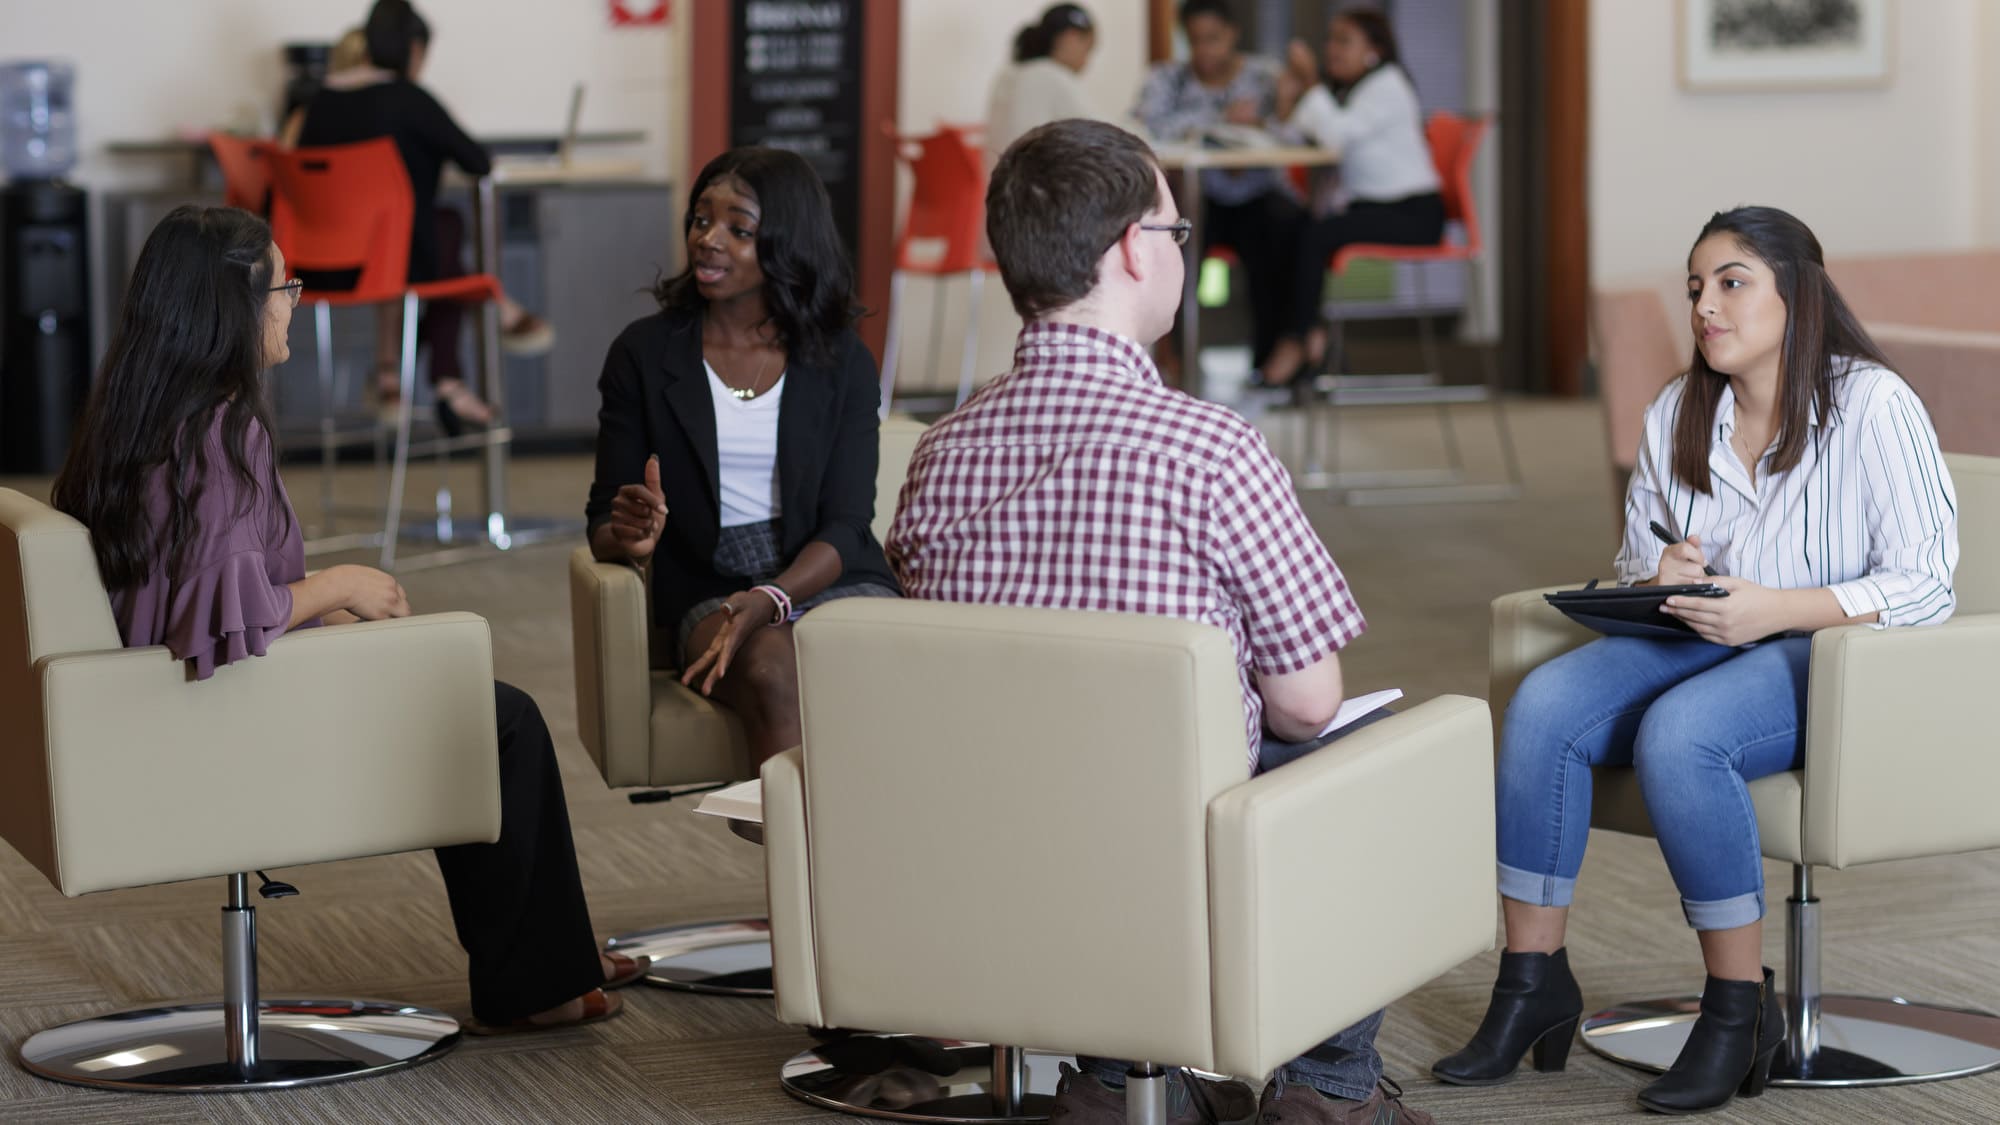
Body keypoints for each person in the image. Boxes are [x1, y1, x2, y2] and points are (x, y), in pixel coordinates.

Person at [886, 119, 1427, 1125]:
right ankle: (1325, 1090)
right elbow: (1308, 704)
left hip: (986, 850)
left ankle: (1116, 1074)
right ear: (1135, 249)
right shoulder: (1209, 449)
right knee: (1358, 749)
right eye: (1176, 236)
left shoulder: (937, 454)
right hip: (1177, 862)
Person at [49, 204, 646, 1035]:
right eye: (284, 285)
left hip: (152, 718)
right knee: (495, 718)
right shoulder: (222, 432)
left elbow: (195, 594)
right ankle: (540, 979)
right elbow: (232, 612)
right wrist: (340, 585)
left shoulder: (131, 415)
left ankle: (556, 960)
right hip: (220, 726)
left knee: (478, 709)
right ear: (237, 305)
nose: (294, 300)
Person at [1432, 206, 1958, 1115]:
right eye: (1695, 289)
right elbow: (1645, 551)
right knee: (1544, 705)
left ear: (1797, 294)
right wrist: (1660, 570)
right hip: (1693, 629)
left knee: (1682, 737)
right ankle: (1531, 982)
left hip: (1828, 652)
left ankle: (1734, 1008)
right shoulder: (1680, 407)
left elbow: (1927, 582)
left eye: (1731, 282)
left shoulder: (1873, 404)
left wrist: (1775, 612)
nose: (1705, 306)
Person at [585, 146, 900, 769]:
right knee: (770, 663)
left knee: (880, 658)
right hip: (713, 582)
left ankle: (882, 847)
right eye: (702, 220)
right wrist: (632, 535)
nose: (710, 240)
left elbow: (845, 523)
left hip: (828, 570)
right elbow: (603, 522)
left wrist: (775, 596)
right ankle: (801, 857)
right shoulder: (644, 354)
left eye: (739, 229)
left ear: (787, 240)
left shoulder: (840, 359)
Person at [295, 0, 553, 429]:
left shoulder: (318, 103)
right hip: (397, 265)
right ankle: (457, 365)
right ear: (414, 50)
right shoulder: (410, 99)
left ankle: (389, 372)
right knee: (446, 229)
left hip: (323, 269)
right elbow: (477, 161)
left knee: (433, 237)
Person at [1261, 8, 1442, 387]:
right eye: (1330, 40)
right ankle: (1306, 335)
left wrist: (1310, 84)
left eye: (1344, 41)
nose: (1332, 49)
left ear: (1374, 49)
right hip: (1374, 207)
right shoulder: (1347, 90)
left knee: (1316, 234)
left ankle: (1301, 340)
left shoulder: (1387, 85)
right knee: (1296, 227)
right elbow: (1295, 138)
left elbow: (1335, 138)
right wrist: (1286, 100)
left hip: (1413, 212)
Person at [1132, 0, 1307, 378]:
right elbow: (1145, 126)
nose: (1205, 51)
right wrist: (1219, 118)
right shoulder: (1168, 78)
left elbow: (1298, 134)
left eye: (1213, 39)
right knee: (1167, 248)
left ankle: (1275, 364)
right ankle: (1176, 364)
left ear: (1232, 35)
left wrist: (1268, 118)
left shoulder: (1264, 77)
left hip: (1256, 196)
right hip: (1196, 198)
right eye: (1195, 40)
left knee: (1287, 231)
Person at [985, 4, 1098, 159]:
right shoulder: (1050, 76)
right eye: (1089, 49)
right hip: (1034, 181)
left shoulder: (1009, 75)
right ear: (1071, 38)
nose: (1087, 61)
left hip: (999, 181)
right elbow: (1102, 139)